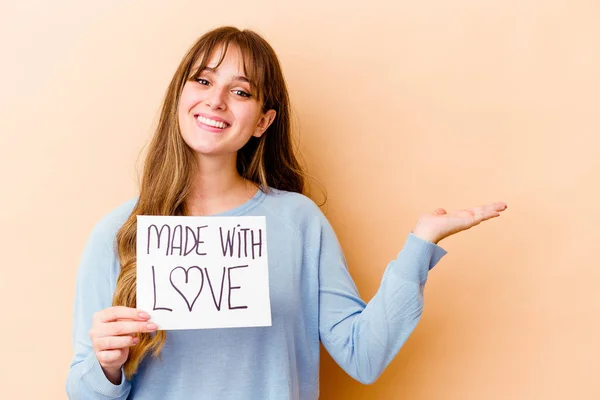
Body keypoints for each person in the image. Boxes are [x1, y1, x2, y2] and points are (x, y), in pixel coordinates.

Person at [66, 26, 507, 400]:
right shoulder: (119, 231)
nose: (216, 100)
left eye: (240, 91)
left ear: (262, 121)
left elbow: (364, 355)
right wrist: (107, 365)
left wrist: (420, 244)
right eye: (203, 81)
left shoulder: (297, 222)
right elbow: (81, 388)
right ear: (179, 96)